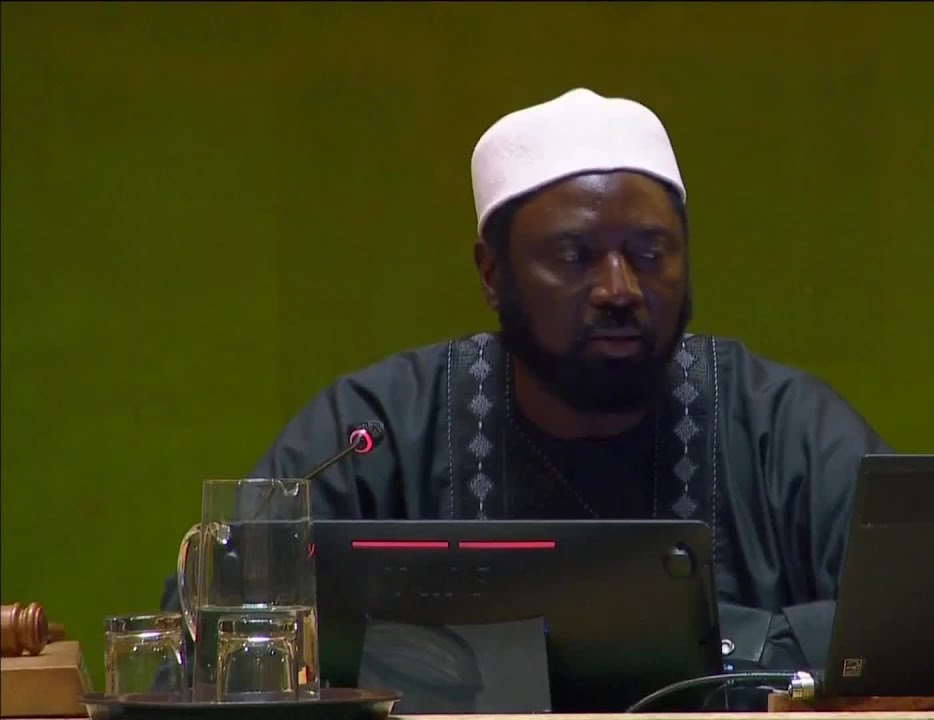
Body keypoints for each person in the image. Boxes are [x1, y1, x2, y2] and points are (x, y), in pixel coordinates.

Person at [161, 87, 891, 699]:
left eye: (650, 253)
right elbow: (202, 636)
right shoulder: (378, 434)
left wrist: (714, 642)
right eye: (574, 257)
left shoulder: (783, 432)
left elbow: (919, 625)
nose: (619, 289)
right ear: (492, 274)